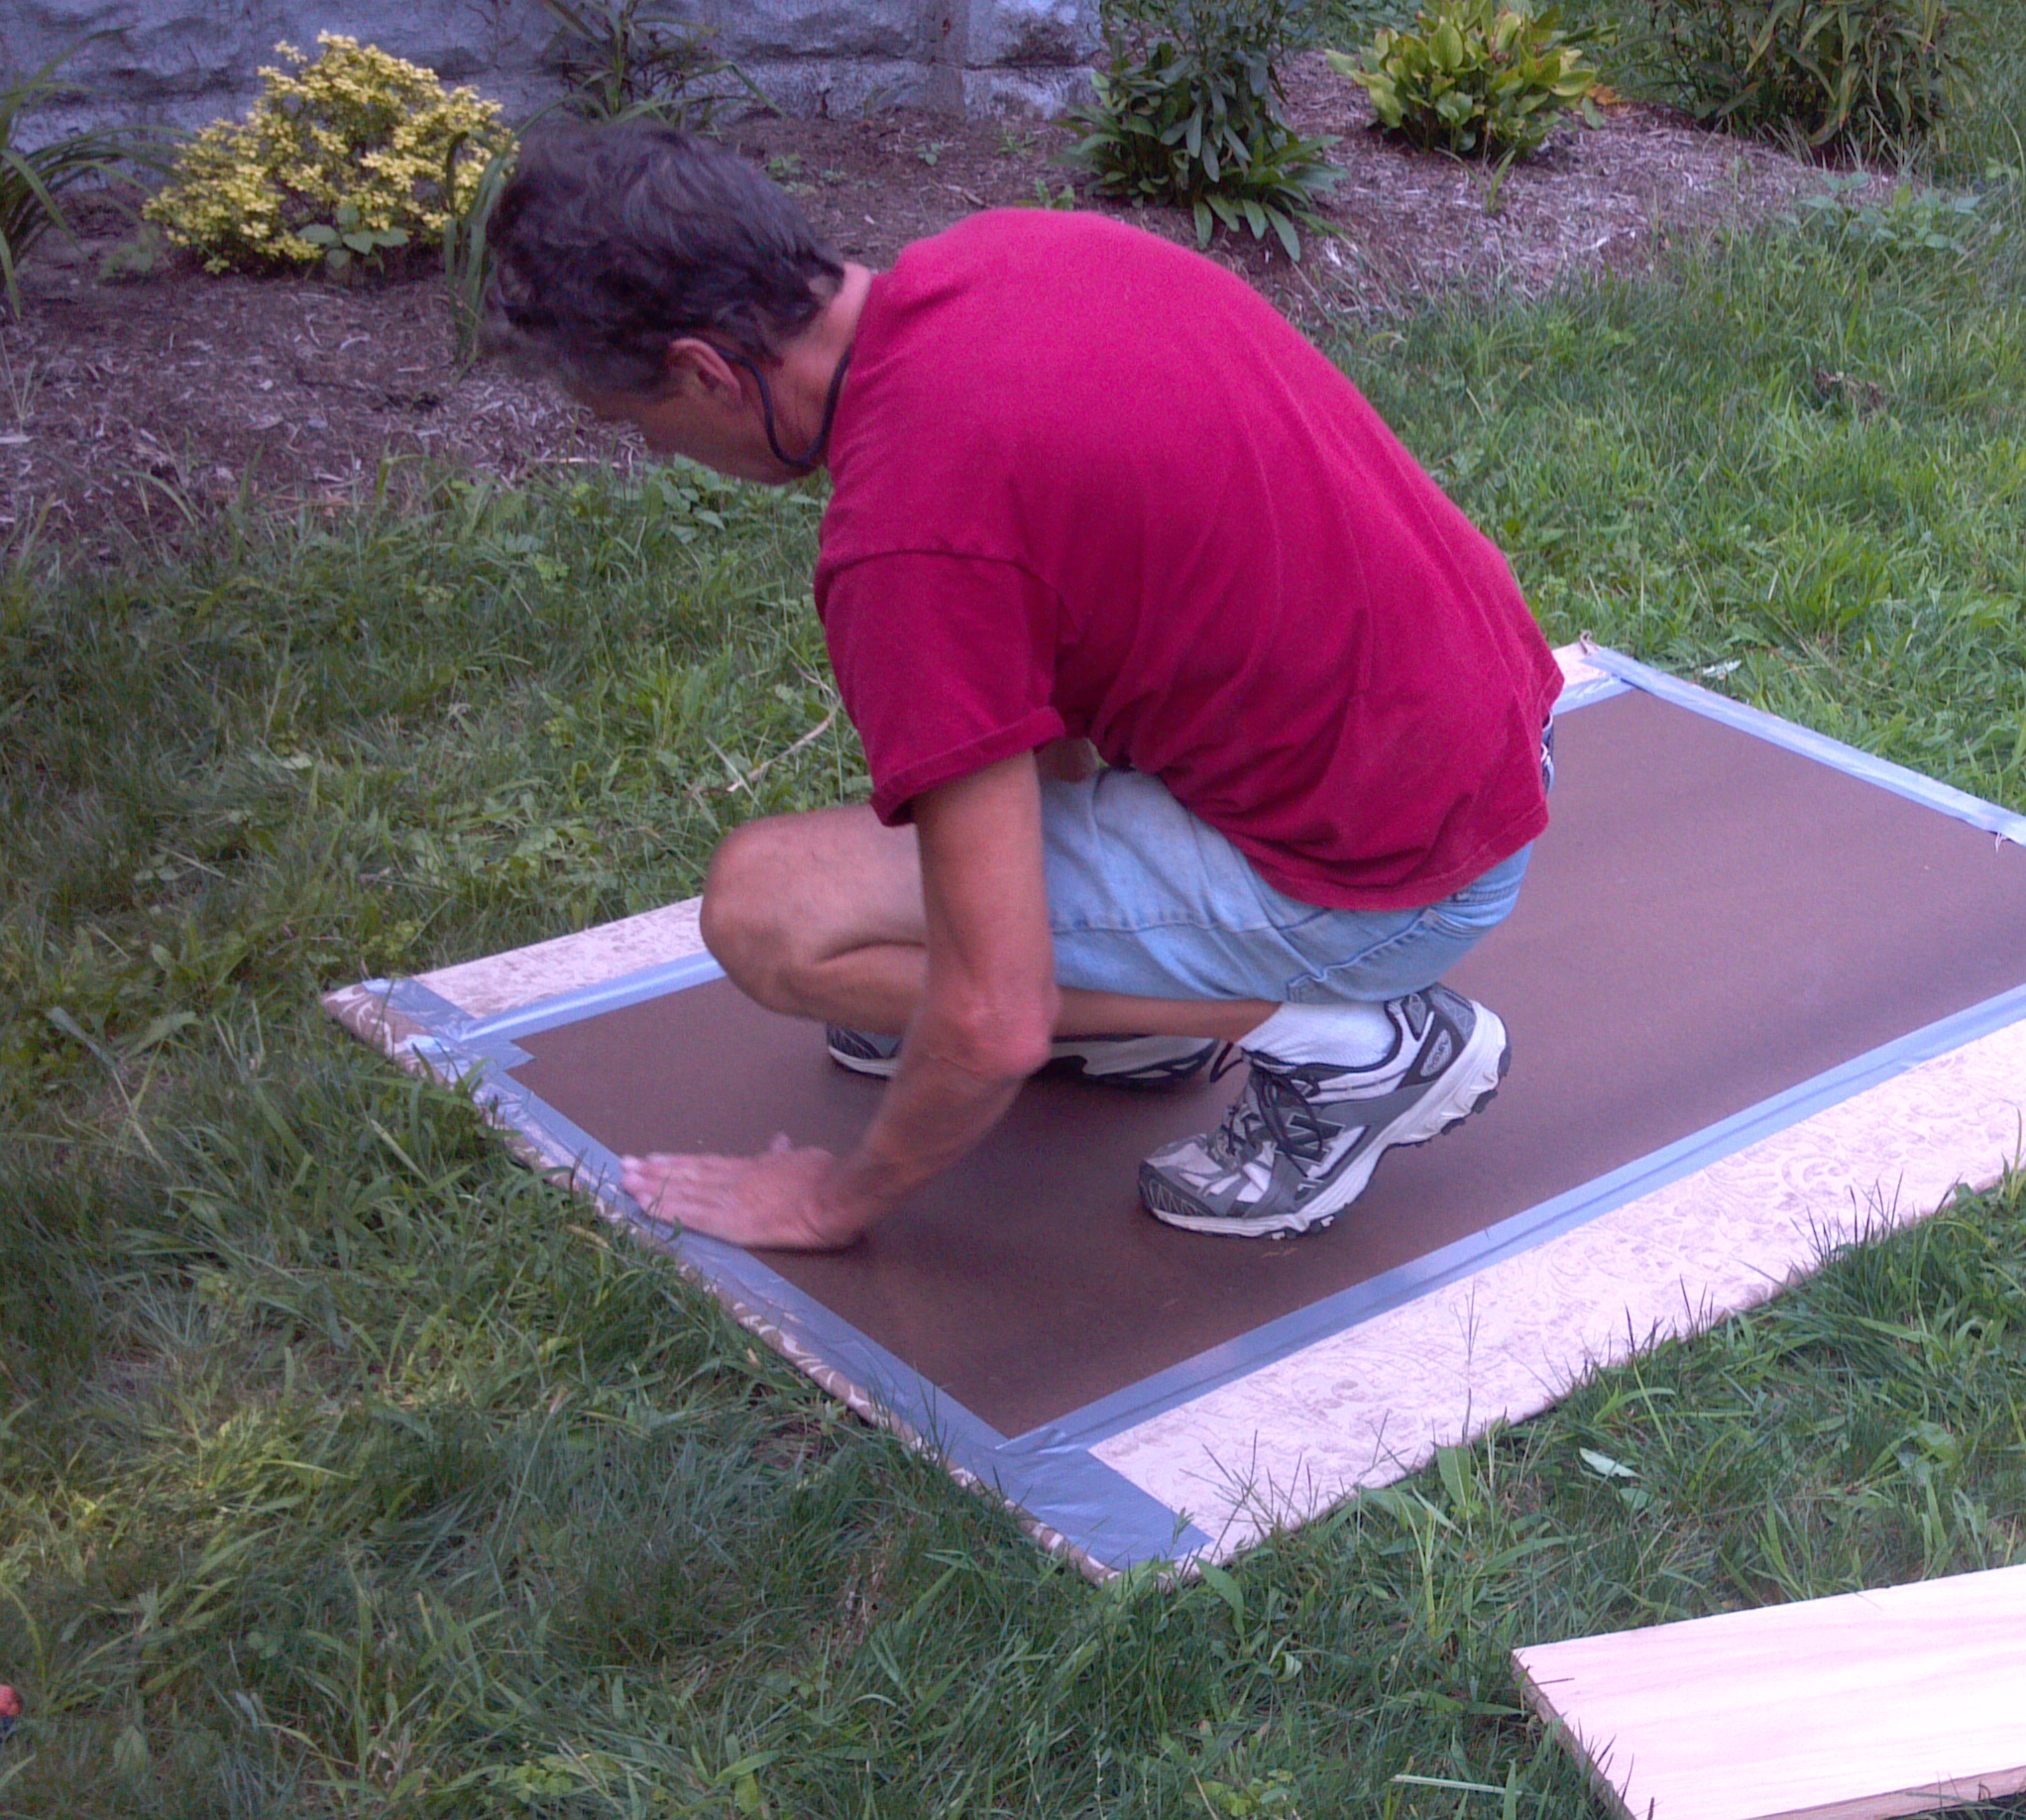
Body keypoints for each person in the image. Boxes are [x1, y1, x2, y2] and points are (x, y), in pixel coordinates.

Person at [481, 123, 1559, 1251]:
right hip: (1485, 751)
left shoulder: (910, 537)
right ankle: (1148, 1019)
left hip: (1389, 883)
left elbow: (993, 1019)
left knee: (773, 914)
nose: (657, 454)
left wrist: (826, 1203)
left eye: (638, 425)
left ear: (706, 371)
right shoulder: (1012, 254)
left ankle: (1352, 1048)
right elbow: (1070, 645)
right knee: (948, 918)